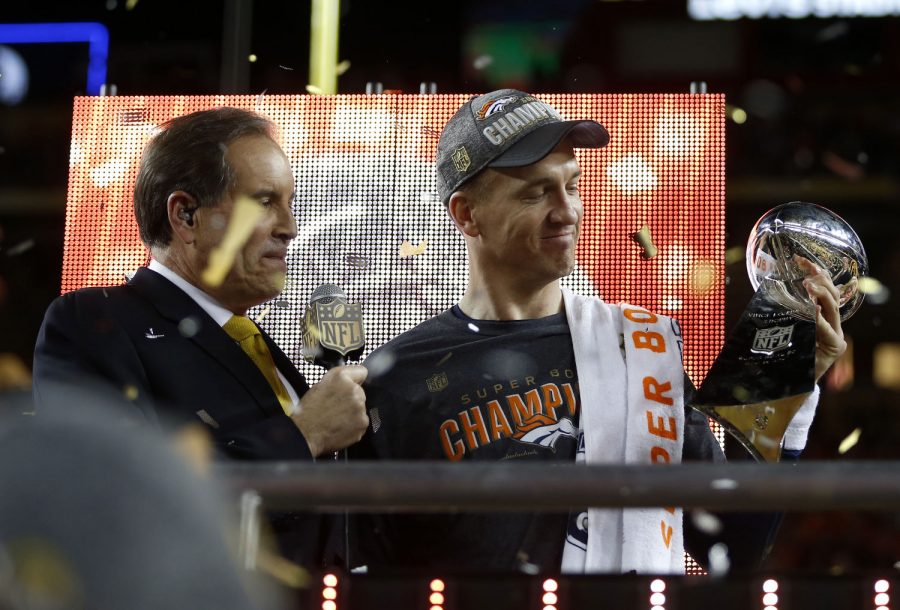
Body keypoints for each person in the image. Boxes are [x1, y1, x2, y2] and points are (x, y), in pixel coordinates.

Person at [350, 89, 846, 574]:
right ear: (466, 214)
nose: (567, 210)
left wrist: (787, 380)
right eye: (536, 192)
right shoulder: (395, 379)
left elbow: (732, 546)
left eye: (573, 184)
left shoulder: (640, 348)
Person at [32, 107, 369, 565]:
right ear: (186, 215)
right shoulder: (93, 321)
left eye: (290, 203)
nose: (289, 227)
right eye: (265, 202)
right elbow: (114, 495)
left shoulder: (250, 342)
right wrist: (303, 434)